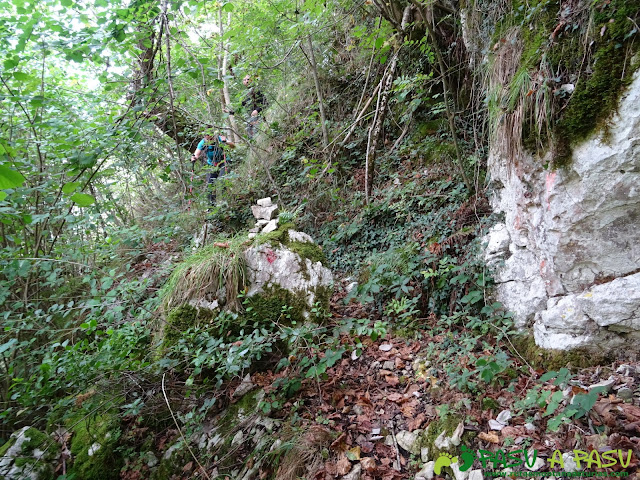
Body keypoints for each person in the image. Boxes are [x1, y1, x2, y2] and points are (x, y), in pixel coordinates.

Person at [191, 133, 235, 205]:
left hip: (224, 161)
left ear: (213, 136)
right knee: (210, 185)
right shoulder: (203, 142)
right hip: (212, 164)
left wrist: (225, 141)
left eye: (210, 138)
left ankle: (225, 202)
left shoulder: (219, 138)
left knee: (222, 180)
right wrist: (194, 157)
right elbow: (196, 153)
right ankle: (211, 206)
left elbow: (233, 146)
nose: (208, 140)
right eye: (206, 137)